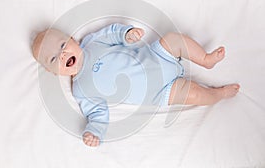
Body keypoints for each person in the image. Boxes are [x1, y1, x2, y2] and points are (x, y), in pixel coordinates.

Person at [32, 23, 240, 147]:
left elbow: (113, 33)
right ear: (53, 72)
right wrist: (94, 131)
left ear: (72, 39)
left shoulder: (92, 42)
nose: (62, 55)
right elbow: (97, 113)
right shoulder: (81, 90)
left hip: (156, 56)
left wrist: (127, 34)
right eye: (53, 59)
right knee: (194, 95)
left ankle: (205, 60)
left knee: (173, 39)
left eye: (62, 46)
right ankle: (218, 95)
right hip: (161, 92)